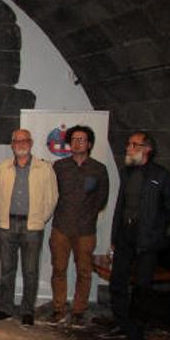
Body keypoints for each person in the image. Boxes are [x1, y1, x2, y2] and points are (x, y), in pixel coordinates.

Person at [105, 131, 170, 340]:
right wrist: (114, 236)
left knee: (142, 286)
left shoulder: (161, 176)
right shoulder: (126, 173)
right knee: (118, 281)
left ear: (147, 149)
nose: (128, 148)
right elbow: (120, 207)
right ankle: (121, 322)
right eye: (128, 144)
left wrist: (155, 227)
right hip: (125, 235)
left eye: (133, 144)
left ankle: (137, 329)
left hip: (147, 240)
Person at [0, 129, 58, 326]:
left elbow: (52, 198)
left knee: (30, 270)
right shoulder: (3, 168)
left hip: (32, 226)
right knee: (7, 269)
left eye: (24, 140)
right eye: (16, 141)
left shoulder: (44, 168)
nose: (20, 143)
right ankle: (5, 308)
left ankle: (27, 310)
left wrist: (39, 219)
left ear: (31, 143)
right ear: (12, 145)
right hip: (7, 224)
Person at [47, 125, 109, 328]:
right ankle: (58, 309)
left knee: (84, 271)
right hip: (61, 227)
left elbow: (102, 198)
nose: (76, 143)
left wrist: (88, 216)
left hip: (85, 230)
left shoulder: (99, 169)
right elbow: (51, 194)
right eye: (73, 139)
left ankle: (79, 310)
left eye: (81, 139)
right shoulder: (59, 166)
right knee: (58, 269)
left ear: (89, 144)